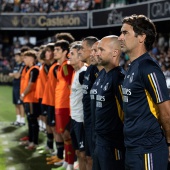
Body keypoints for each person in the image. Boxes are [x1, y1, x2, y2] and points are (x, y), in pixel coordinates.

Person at [118, 14, 170, 170]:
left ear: (141, 37)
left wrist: (169, 142)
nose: (120, 37)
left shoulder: (148, 68)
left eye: (125, 33)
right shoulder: (133, 66)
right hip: (133, 149)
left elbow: (166, 113)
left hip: (149, 150)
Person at [92, 35, 125, 170]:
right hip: (100, 140)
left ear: (115, 52)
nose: (97, 53)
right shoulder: (102, 74)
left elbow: (127, 112)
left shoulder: (119, 78)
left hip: (113, 144)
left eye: (101, 49)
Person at [52, 40, 75, 170]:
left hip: (65, 105)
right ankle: (67, 161)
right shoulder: (60, 66)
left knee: (67, 135)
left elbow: (70, 86)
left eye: (57, 50)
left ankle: (70, 163)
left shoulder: (66, 66)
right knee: (64, 135)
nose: (55, 52)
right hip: (60, 104)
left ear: (65, 52)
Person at [78, 36, 98, 170]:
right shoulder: (87, 71)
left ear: (92, 50)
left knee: (93, 159)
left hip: (96, 124)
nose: (80, 51)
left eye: (82, 48)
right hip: (88, 121)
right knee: (88, 156)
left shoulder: (96, 71)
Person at [69, 43, 87, 170]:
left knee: (83, 153)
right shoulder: (76, 72)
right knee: (77, 152)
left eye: (72, 53)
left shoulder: (84, 74)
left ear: (80, 57)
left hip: (81, 120)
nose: (68, 55)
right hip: (74, 117)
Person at [20, 50, 39, 150]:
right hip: (28, 98)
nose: (24, 59)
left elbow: (31, 85)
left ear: (32, 58)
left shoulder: (34, 70)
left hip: (32, 99)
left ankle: (34, 142)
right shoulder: (28, 69)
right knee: (30, 120)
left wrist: (23, 94)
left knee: (33, 121)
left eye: (26, 57)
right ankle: (30, 139)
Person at [9, 52, 25, 126]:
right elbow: (15, 75)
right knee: (16, 103)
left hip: (19, 86)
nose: (15, 58)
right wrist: (14, 75)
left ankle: (22, 120)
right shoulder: (16, 65)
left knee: (20, 104)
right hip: (15, 86)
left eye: (17, 56)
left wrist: (13, 74)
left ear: (21, 57)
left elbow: (17, 76)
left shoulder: (22, 65)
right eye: (15, 56)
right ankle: (18, 120)